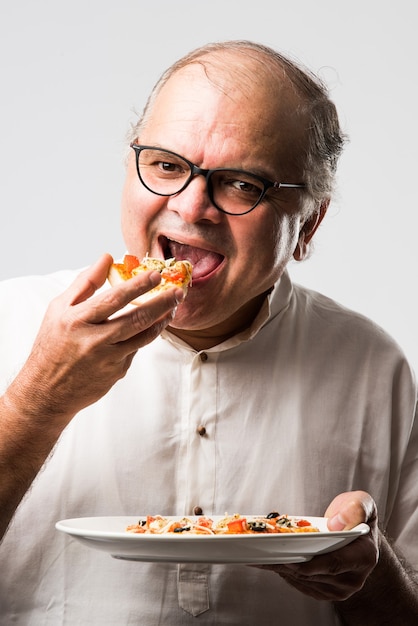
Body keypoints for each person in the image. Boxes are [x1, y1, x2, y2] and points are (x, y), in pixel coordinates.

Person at [0, 40, 417, 625]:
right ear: (130, 169)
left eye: (242, 183)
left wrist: (369, 573)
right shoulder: (10, 321)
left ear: (308, 225)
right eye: (167, 165)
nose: (192, 207)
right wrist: (37, 400)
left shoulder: (373, 365)